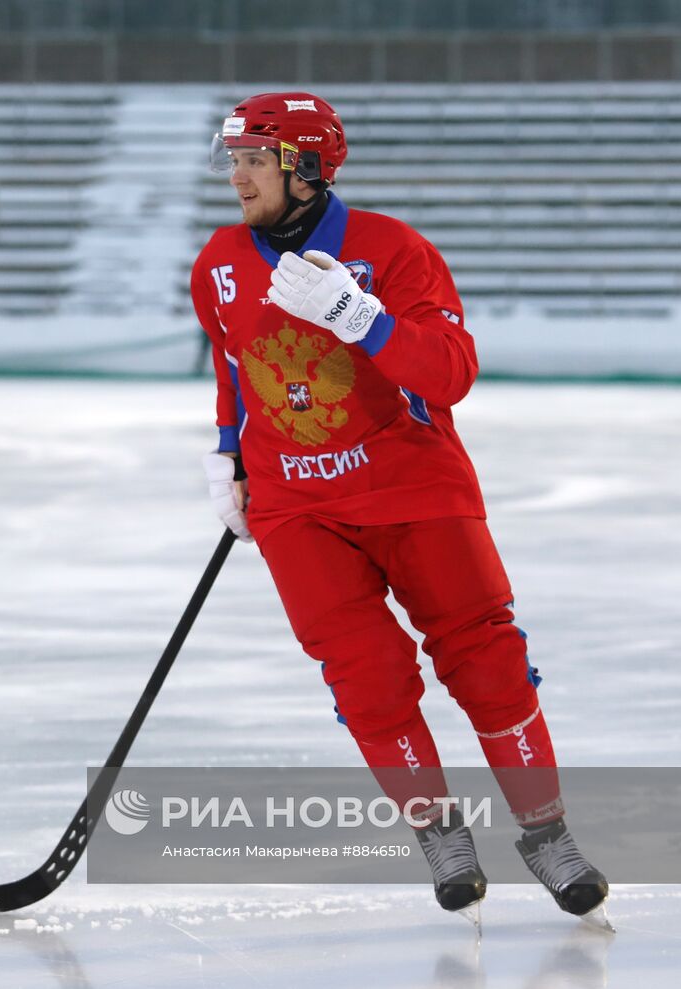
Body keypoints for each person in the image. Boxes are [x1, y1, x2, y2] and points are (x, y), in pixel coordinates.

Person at [190, 92, 609, 923]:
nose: (236, 177)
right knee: (366, 679)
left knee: (485, 659)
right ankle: (440, 835)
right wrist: (228, 451)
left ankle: (546, 833)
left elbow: (450, 372)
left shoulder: (393, 250)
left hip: (414, 488)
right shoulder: (219, 262)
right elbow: (233, 368)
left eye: (252, 159)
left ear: (304, 166)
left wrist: (361, 317)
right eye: (232, 159)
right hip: (295, 506)